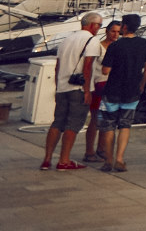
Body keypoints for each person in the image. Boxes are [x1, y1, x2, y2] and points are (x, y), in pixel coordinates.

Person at [41, 12, 103, 171]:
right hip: (79, 89)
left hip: (63, 87)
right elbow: (88, 66)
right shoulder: (92, 40)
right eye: (99, 25)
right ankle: (64, 160)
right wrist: (88, 90)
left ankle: (47, 159)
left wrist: (57, 86)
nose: (99, 28)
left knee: (57, 122)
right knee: (73, 124)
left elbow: (58, 66)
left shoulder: (66, 40)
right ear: (91, 25)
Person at [98, 13, 146, 172]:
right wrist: (141, 85)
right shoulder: (145, 44)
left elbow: (105, 70)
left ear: (124, 26)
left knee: (109, 126)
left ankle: (108, 160)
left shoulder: (115, 46)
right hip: (132, 91)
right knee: (125, 125)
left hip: (112, 90)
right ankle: (120, 159)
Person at [84, 20, 121, 162]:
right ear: (107, 31)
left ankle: (101, 148)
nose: (115, 34)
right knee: (95, 119)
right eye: (113, 31)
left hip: (112, 85)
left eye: (118, 32)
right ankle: (89, 151)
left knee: (108, 119)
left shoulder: (118, 47)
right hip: (99, 83)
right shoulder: (99, 47)